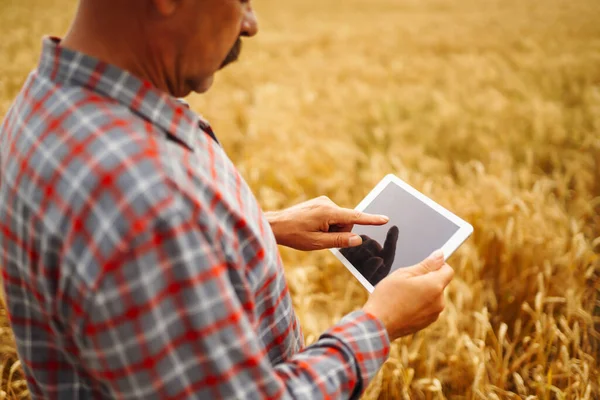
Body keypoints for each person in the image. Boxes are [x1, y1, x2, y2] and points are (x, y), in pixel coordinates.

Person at [0, 0, 454, 398]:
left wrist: (258, 226)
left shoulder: (42, 106)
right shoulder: (150, 204)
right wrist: (379, 323)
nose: (251, 24)